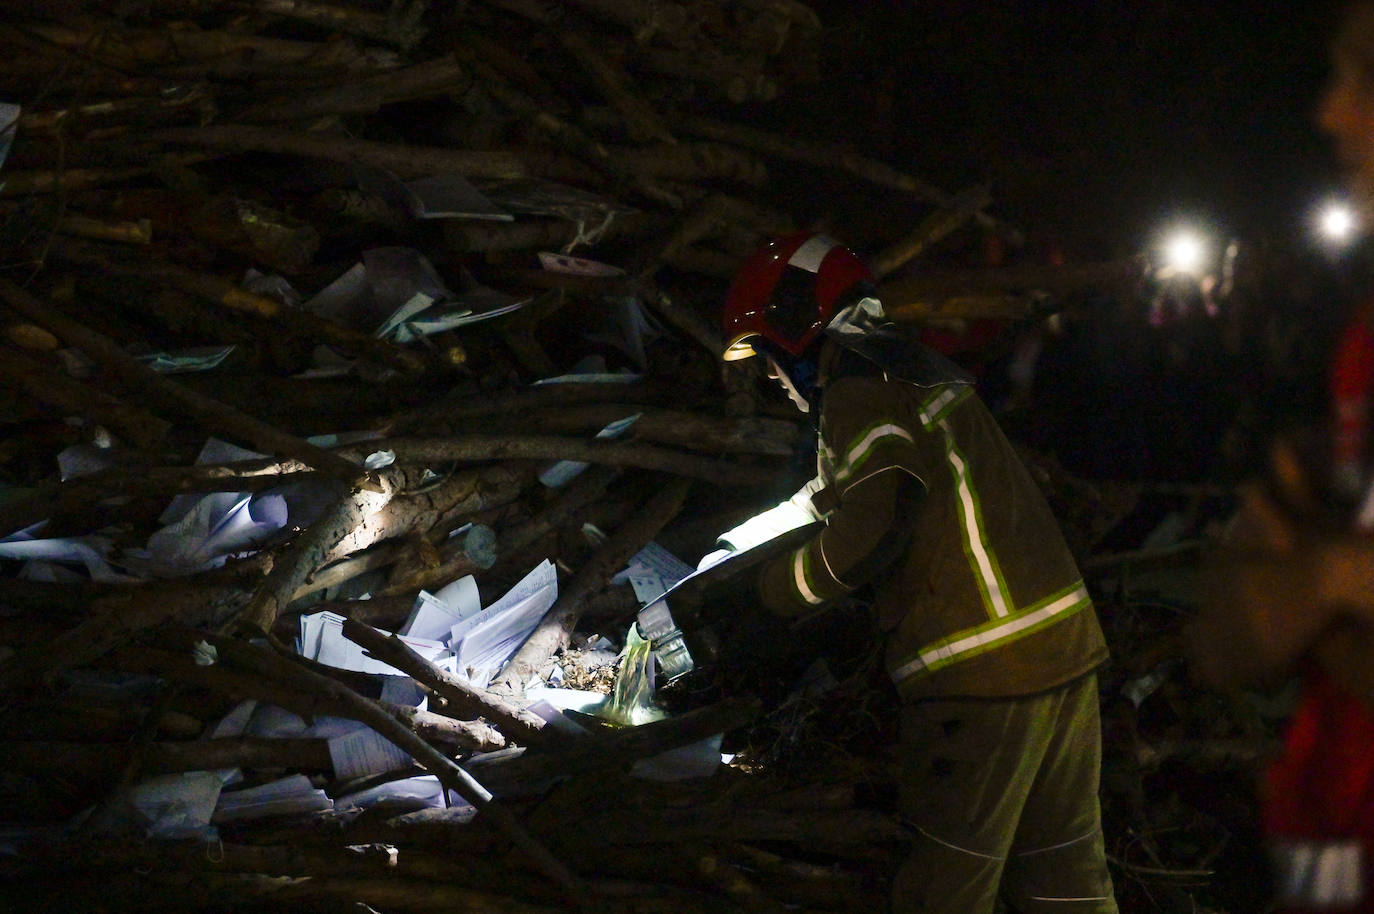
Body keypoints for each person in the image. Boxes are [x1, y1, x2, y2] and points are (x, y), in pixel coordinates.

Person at [705, 232, 1118, 913]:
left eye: (770, 359)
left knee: (943, 894)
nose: (774, 380)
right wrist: (736, 543)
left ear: (794, 327)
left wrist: (770, 594)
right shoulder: (911, 372)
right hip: (1062, 653)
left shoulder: (859, 392)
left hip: (982, 675)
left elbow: (870, 530)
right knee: (1066, 886)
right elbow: (835, 494)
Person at [1185, 4, 1374, 910]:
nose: (1330, 113)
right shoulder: (1363, 349)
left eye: (1360, 78)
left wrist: (1326, 577)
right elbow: (1230, 631)